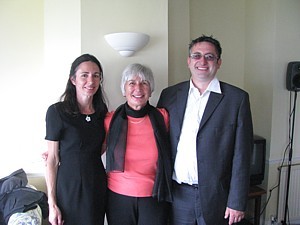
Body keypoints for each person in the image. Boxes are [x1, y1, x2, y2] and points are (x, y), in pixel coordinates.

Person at [157, 35, 253, 225]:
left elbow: (242, 154)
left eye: (210, 57)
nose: (202, 61)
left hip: (217, 197)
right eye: (197, 55)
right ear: (188, 61)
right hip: (178, 196)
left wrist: (237, 201)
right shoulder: (169, 96)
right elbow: (159, 144)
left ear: (219, 63)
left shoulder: (236, 99)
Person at [104, 63, 172, 225]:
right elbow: (90, 146)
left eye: (144, 83)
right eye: (131, 83)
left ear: (151, 89)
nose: (138, 88)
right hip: (118, 196)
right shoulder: (110, 120)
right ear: (124, 89)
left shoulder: (163, 118)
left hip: (154, 196)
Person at [44, 54, 108, 225]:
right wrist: (52, 203)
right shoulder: (57, 112)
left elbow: (101, 147)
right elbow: (52, 159)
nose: (91, 81)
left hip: (96, 184)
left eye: (96, 75)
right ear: (73, 79)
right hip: (68, 186)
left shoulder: (102, 112)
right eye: (84, 75)